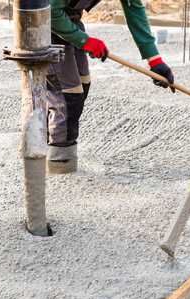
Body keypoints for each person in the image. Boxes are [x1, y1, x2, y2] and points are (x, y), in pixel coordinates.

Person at [47, 0, 175, 173]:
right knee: (68, 96)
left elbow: (133, 9)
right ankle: (58, 165)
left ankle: (45, 142)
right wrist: (84, 41)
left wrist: (154, 59)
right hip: (41, 25)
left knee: (82, 86)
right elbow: (51, 10)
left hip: (69, 21)